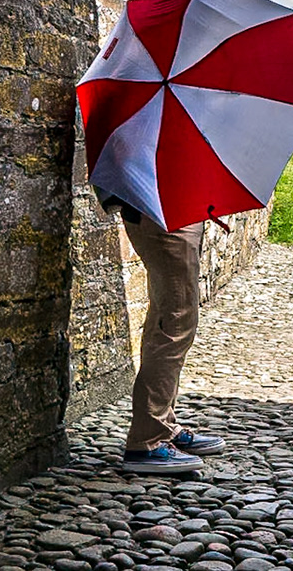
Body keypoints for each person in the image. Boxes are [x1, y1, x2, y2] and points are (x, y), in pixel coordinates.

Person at [104, 197, 228, 475]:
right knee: (175, 322)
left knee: (166, 318)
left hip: (173, 211)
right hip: (165, 212)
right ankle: (147, 439)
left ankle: (162, 425)